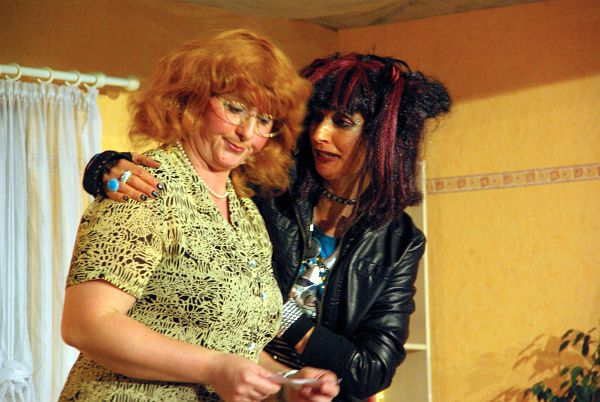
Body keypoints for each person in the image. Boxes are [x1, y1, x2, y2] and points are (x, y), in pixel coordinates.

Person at [83, 52, 451, 401]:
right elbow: (188, 173)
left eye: (341, 122)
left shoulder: (401, 241)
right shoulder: (269, 188)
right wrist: (105, 167)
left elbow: (371, 369)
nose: (319, 134)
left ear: (384, 137)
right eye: (317, 118)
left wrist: (282, 325)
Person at [60, 29, 340, 402]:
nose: (246, 132)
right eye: (235, 108)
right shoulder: (142, 186)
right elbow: (86, 325)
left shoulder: (245, 210)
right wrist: (213, 368)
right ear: (191, 99)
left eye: (264, 120)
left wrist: (288, 383)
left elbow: (230, 345)